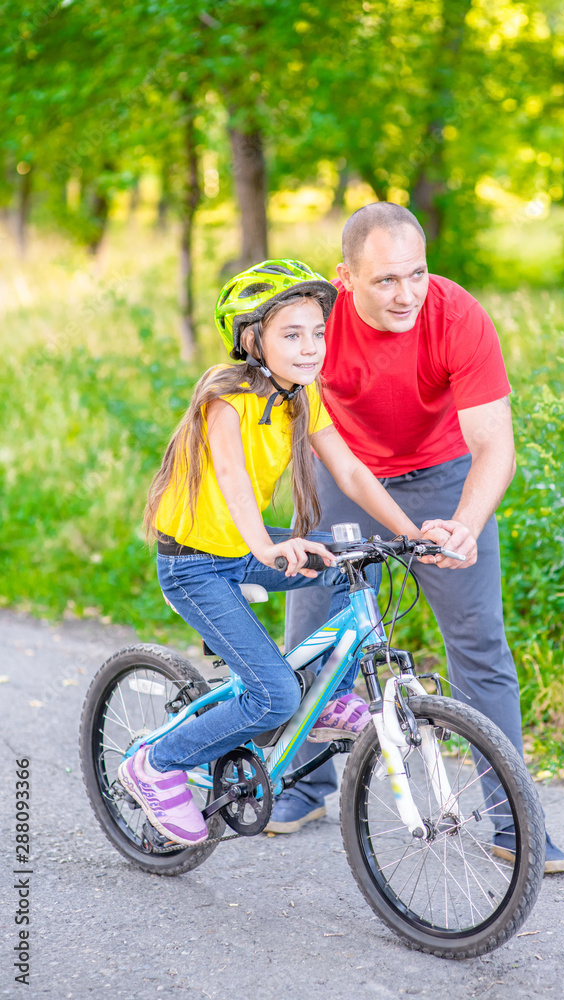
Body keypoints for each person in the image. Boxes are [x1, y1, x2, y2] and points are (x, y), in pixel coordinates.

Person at [269, 206, 564, 875]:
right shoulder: (315, 322)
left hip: (442, 479)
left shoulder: (455, 316)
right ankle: (304, 786)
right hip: (344, 476)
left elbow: (495, 446)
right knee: (315, 636)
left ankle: (512, 822)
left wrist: (464, 523)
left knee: (479, 646)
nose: (406, 294)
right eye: (385, 281)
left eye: (416, 273)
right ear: (344, 278)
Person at [118, 258, 450, 847]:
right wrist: (268, 546)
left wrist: (411, 531)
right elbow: (233, 479)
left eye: (318, 332)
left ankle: (327, 697)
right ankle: (156, 764)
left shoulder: (302, 396)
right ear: (253, 340)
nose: (310, 347)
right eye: (292, 335)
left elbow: (347, 467)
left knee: (353, 562)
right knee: (271, 695)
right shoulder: (225, 399)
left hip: (243, 552)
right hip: (195, 563)